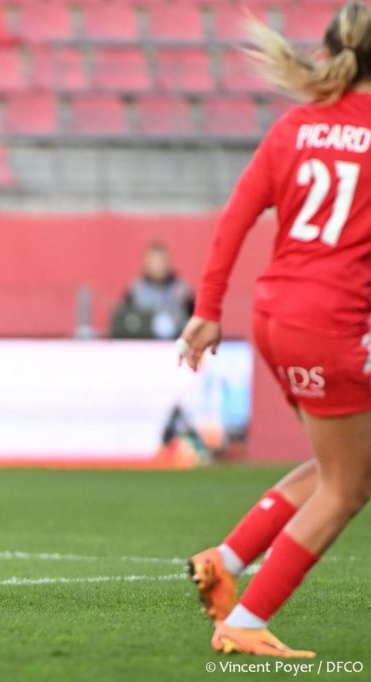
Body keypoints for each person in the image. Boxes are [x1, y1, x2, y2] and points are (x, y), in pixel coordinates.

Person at [178, 1, 371, 658]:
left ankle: (225, 561)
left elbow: (235, 217)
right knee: (348, 485)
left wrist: (208, 310)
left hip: (276, 314)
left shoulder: (295, 127)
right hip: (333, 322)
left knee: (339, 463)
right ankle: (246, 620)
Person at [110, 242, 194, 339]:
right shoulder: (136, 289)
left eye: (162, 261)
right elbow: (125, 319)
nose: (159, 265)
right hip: (145, 341)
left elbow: (193, 317)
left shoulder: (181, 289)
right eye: (155, 261)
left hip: (176, 340)